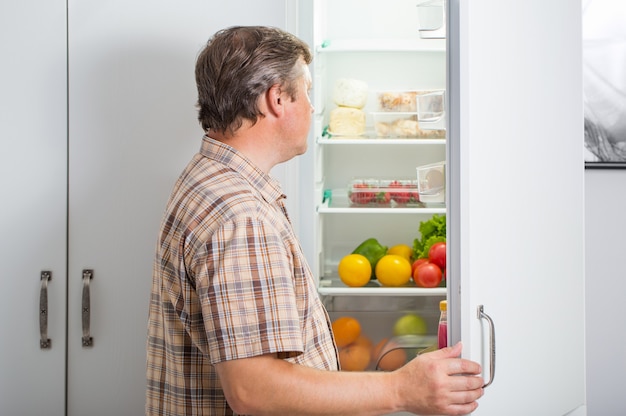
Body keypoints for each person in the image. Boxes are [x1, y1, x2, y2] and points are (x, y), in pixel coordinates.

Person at [146, 25, 484, 416]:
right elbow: (253, 390)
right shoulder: (242, 216)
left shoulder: (207, 177)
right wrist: (399, 389)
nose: (311, 106)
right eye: (305, 91)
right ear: (277, 99)